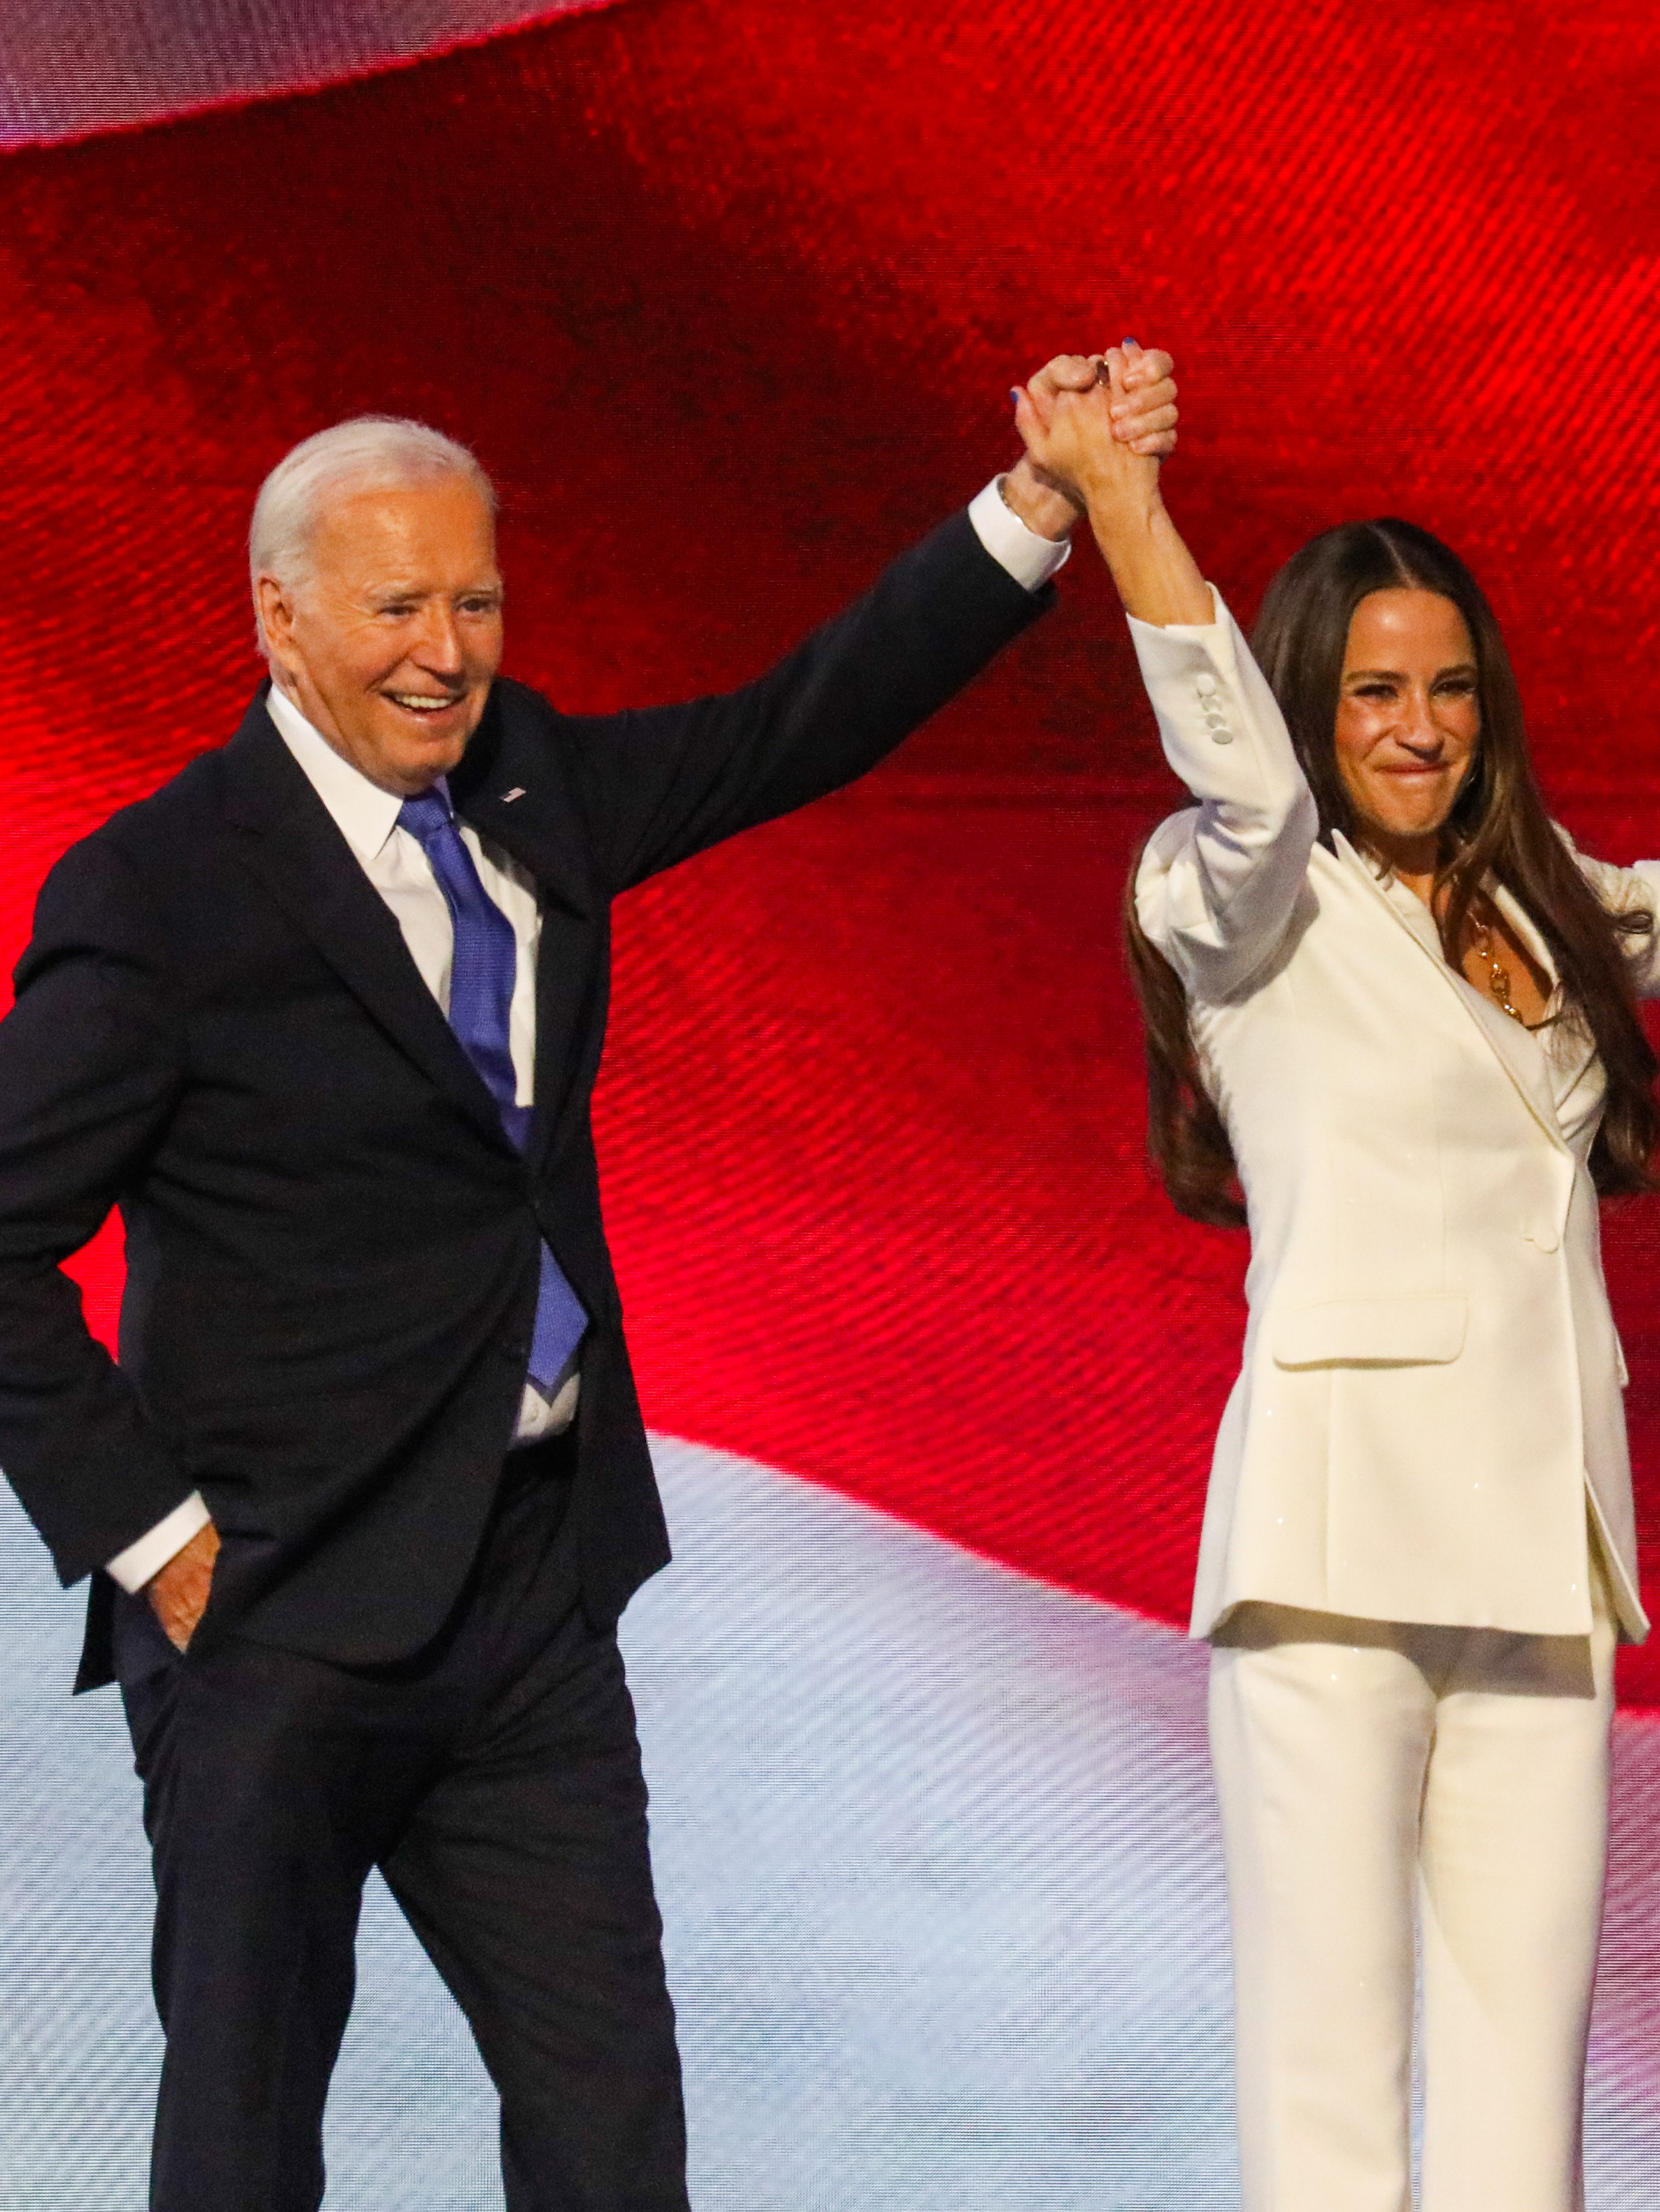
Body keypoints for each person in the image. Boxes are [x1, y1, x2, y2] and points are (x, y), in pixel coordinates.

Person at [0, 356, 1177, 2211]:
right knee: (243, 2140)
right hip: (277, 1614)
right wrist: (149, 1535)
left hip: (528, 1601)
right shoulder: (160, 893)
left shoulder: (532, 785)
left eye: (475, 599)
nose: (445, 650)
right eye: (397, 605)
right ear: (278, 614)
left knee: (612, 2128)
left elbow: (797, 720)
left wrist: (1032, 505)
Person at [1014, 356, 1656, 2211]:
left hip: (1548, 1550)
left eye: (1451, 687)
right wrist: (1128, 514)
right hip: (1334, 1552)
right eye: (1374, 688)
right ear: (1308, 697)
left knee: (1524, 2087)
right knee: (1329, 2072)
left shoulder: (1539, 894)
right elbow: (1247, 790)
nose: (1420, 724)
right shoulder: (1235, 895)